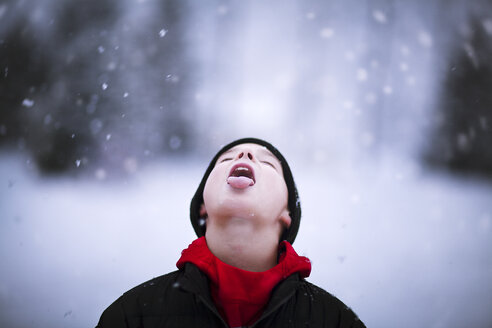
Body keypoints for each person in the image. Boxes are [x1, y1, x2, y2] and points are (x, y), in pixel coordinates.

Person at [96, 137, 365, 328]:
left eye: (268, 163)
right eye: (226, 158)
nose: (244, 155)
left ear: (287, 214)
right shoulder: (133, 316)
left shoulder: (336, 322)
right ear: (202, 206)